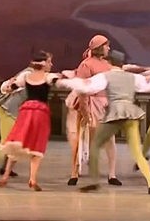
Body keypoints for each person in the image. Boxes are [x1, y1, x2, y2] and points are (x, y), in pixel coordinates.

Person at [58, 49, 150, 195]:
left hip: (115, 114)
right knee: (137, 151)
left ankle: (94, 182)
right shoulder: (132, 77)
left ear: (110, 62)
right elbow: (149, 83)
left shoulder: (106, 76)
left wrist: (64, 82)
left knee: (95, 145)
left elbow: (87, 85)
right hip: (130, 114)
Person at [0, 51, 62, 191]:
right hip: (40, 113)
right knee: (37, 144)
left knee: (18, 141)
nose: (51, 64)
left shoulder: (26, 76)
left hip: (26, 111)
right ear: (43, 64)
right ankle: (32, 179)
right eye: (49, 61)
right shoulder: (48, 77)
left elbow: (11, 88)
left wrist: (8, 86)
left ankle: (5, 176)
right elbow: (59, 82)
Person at [61, 34, 120, 187]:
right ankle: (74, 172)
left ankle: (112, 174)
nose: (109, 48)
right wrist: (86, 112)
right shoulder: (86, 65)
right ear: (100, 48)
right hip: (91, 104)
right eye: (106, 46)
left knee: (110, 139)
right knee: (81, 139)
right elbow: (82, 90)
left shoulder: (106, 65)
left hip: (104, 105)